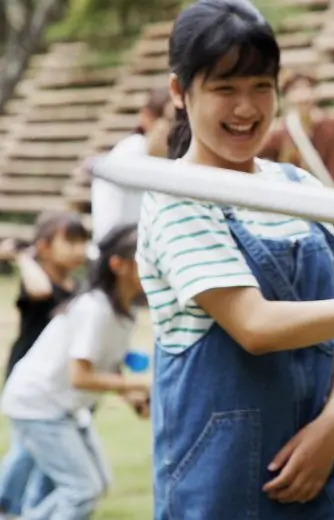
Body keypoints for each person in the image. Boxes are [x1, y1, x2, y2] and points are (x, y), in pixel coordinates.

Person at [136, 1, 334, 518]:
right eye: (225, 89)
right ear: (180, 91)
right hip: (219, 475)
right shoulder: (177, 200)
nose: (247, 108)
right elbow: (256, 326)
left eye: (262, 86)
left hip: (326, 457)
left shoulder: (296, 187)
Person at [0, 224, 150, 520]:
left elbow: (105, 363)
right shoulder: (94, 309)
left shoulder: (124, 309)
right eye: (146, 260)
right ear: (118, 265)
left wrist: (132, 396)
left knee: (95, 484)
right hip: (38, 404)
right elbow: (79, 376)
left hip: (64, 408)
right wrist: (144, 385)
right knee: (80, 490)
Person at [0, 210, 88, 519]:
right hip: (27, 381)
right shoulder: (36, 280)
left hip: (55, 384)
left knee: (37, 457)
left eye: (82, 242)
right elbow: (40, 291)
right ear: (45, 246)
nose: (79, 250)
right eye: (71, 242)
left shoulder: (75, 289)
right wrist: (23, 257)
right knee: (25, 452)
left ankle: (24, 508)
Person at [258, 71, 334, 241]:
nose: (302, 95)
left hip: (331, 208)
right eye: (296, 89)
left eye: (307, 88)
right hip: (298, 213)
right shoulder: (281, 133)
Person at [89, 87, 171, 246]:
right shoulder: (128, 156)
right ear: (147, 117)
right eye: (170, 120)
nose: (176, 128)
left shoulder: (167, 159)